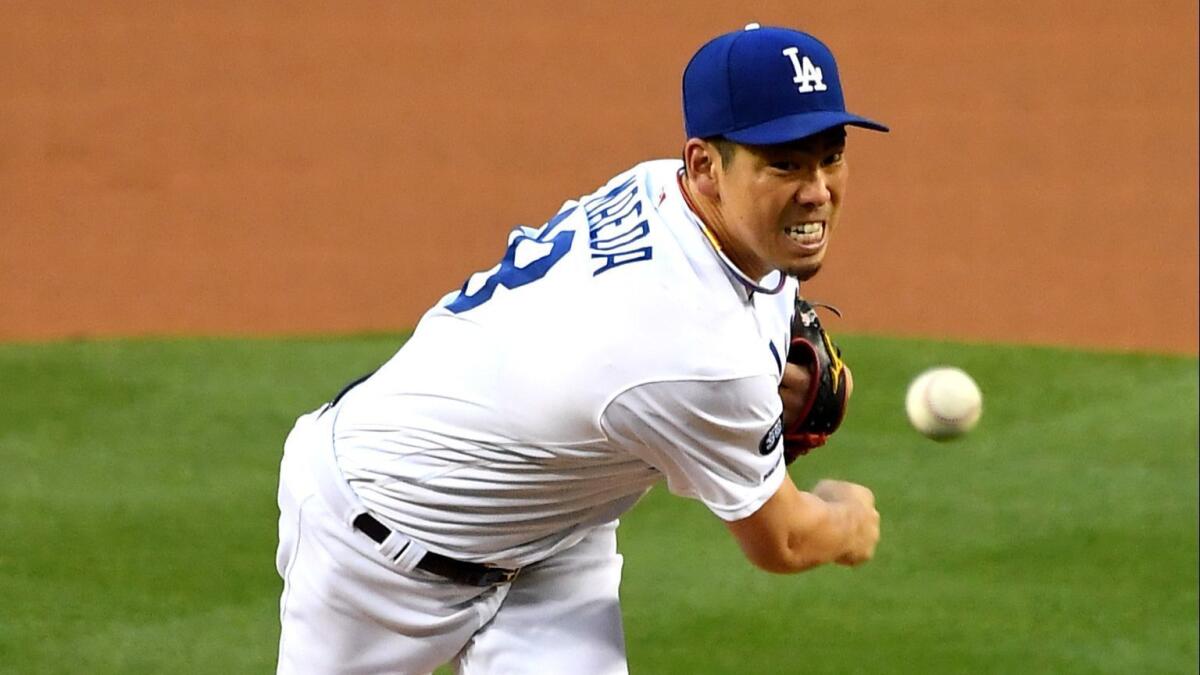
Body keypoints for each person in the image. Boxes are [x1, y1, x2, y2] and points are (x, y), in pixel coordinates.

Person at [275, 23, 887, 674]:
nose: (818, 189)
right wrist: (849, 521)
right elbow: (785, 540)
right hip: (378, 534)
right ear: (706, 166)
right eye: (785, 163)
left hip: (551, 531)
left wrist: (776, 385)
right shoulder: (696, 356)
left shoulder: (663, 187)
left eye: (831, 155)